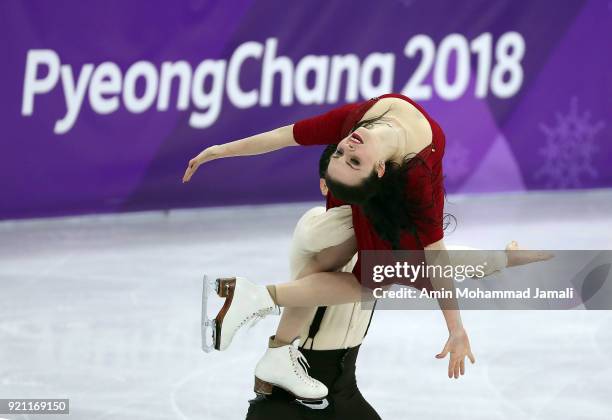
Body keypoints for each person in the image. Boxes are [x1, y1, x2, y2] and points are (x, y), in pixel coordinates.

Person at [183, 93, 523, 400]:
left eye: (347, 155)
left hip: (391, 202)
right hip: (357, 194)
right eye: (343, 155)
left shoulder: (390, 156)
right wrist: (219, 151)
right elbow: (283, 137)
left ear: (378, 169)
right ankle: (267, 320)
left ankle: (271, 336)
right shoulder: (380, 151)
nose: (348, 146)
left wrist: (458, 325)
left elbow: (436, 256)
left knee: (379, 279)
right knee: (349, 270)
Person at [244, 145, 547, 419]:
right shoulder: (313, 224)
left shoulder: (380, 237)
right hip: (291, 398)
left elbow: (437, 260)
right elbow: (316, 235)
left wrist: (501, 260)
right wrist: (365, 202)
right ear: (325, 185)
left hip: (343, 390)